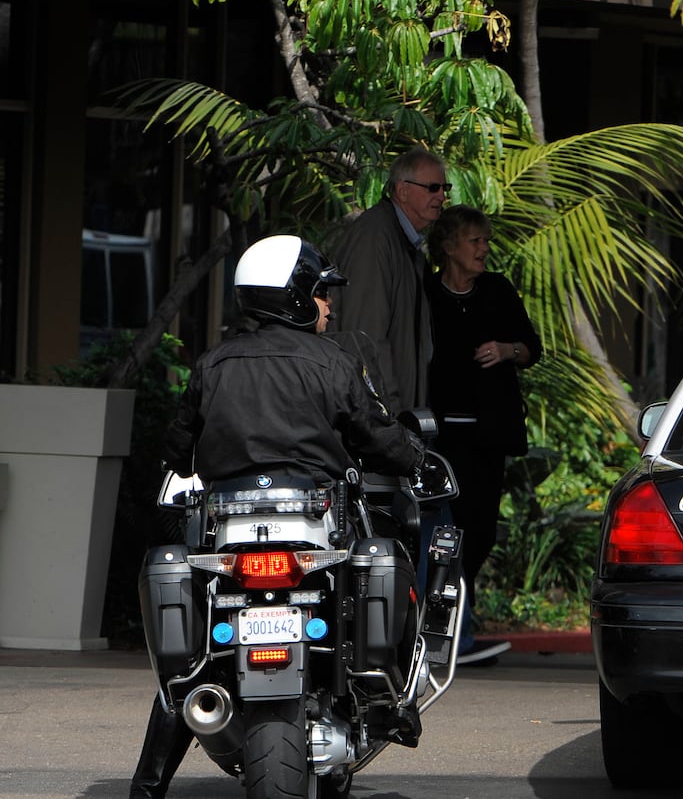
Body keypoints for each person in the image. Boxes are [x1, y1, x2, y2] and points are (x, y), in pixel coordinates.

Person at [130, 234, 424, 798]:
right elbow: (378, 438)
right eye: (319, 294)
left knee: (193, 662)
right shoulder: (335, 362)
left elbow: (174, 452)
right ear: (293, 297)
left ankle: (147, 787)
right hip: (316, 520)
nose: (328, 305)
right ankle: (384, 699)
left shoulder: (213, 363)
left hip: (228, 532)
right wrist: (417, 456)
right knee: (383, 558)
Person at [424, 205, 540, 666]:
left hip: (489, 433)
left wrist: (508, 349)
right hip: (439, 434)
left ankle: (453, 612)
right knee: (442, 531)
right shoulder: (426, 291)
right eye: (475, 241)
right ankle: (449, 629)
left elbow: (533, 347)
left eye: (486, 241)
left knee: (482, 532)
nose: (484, 249)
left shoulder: (497, 290)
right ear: (449, 245)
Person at [326, 147, 450, 415]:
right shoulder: (376, 238)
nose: (442, 195)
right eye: (433, 187)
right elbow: (365, 338)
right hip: (379, 422)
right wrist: (390, 414)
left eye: (444, 187)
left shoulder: (404, 243)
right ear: (402, 190)